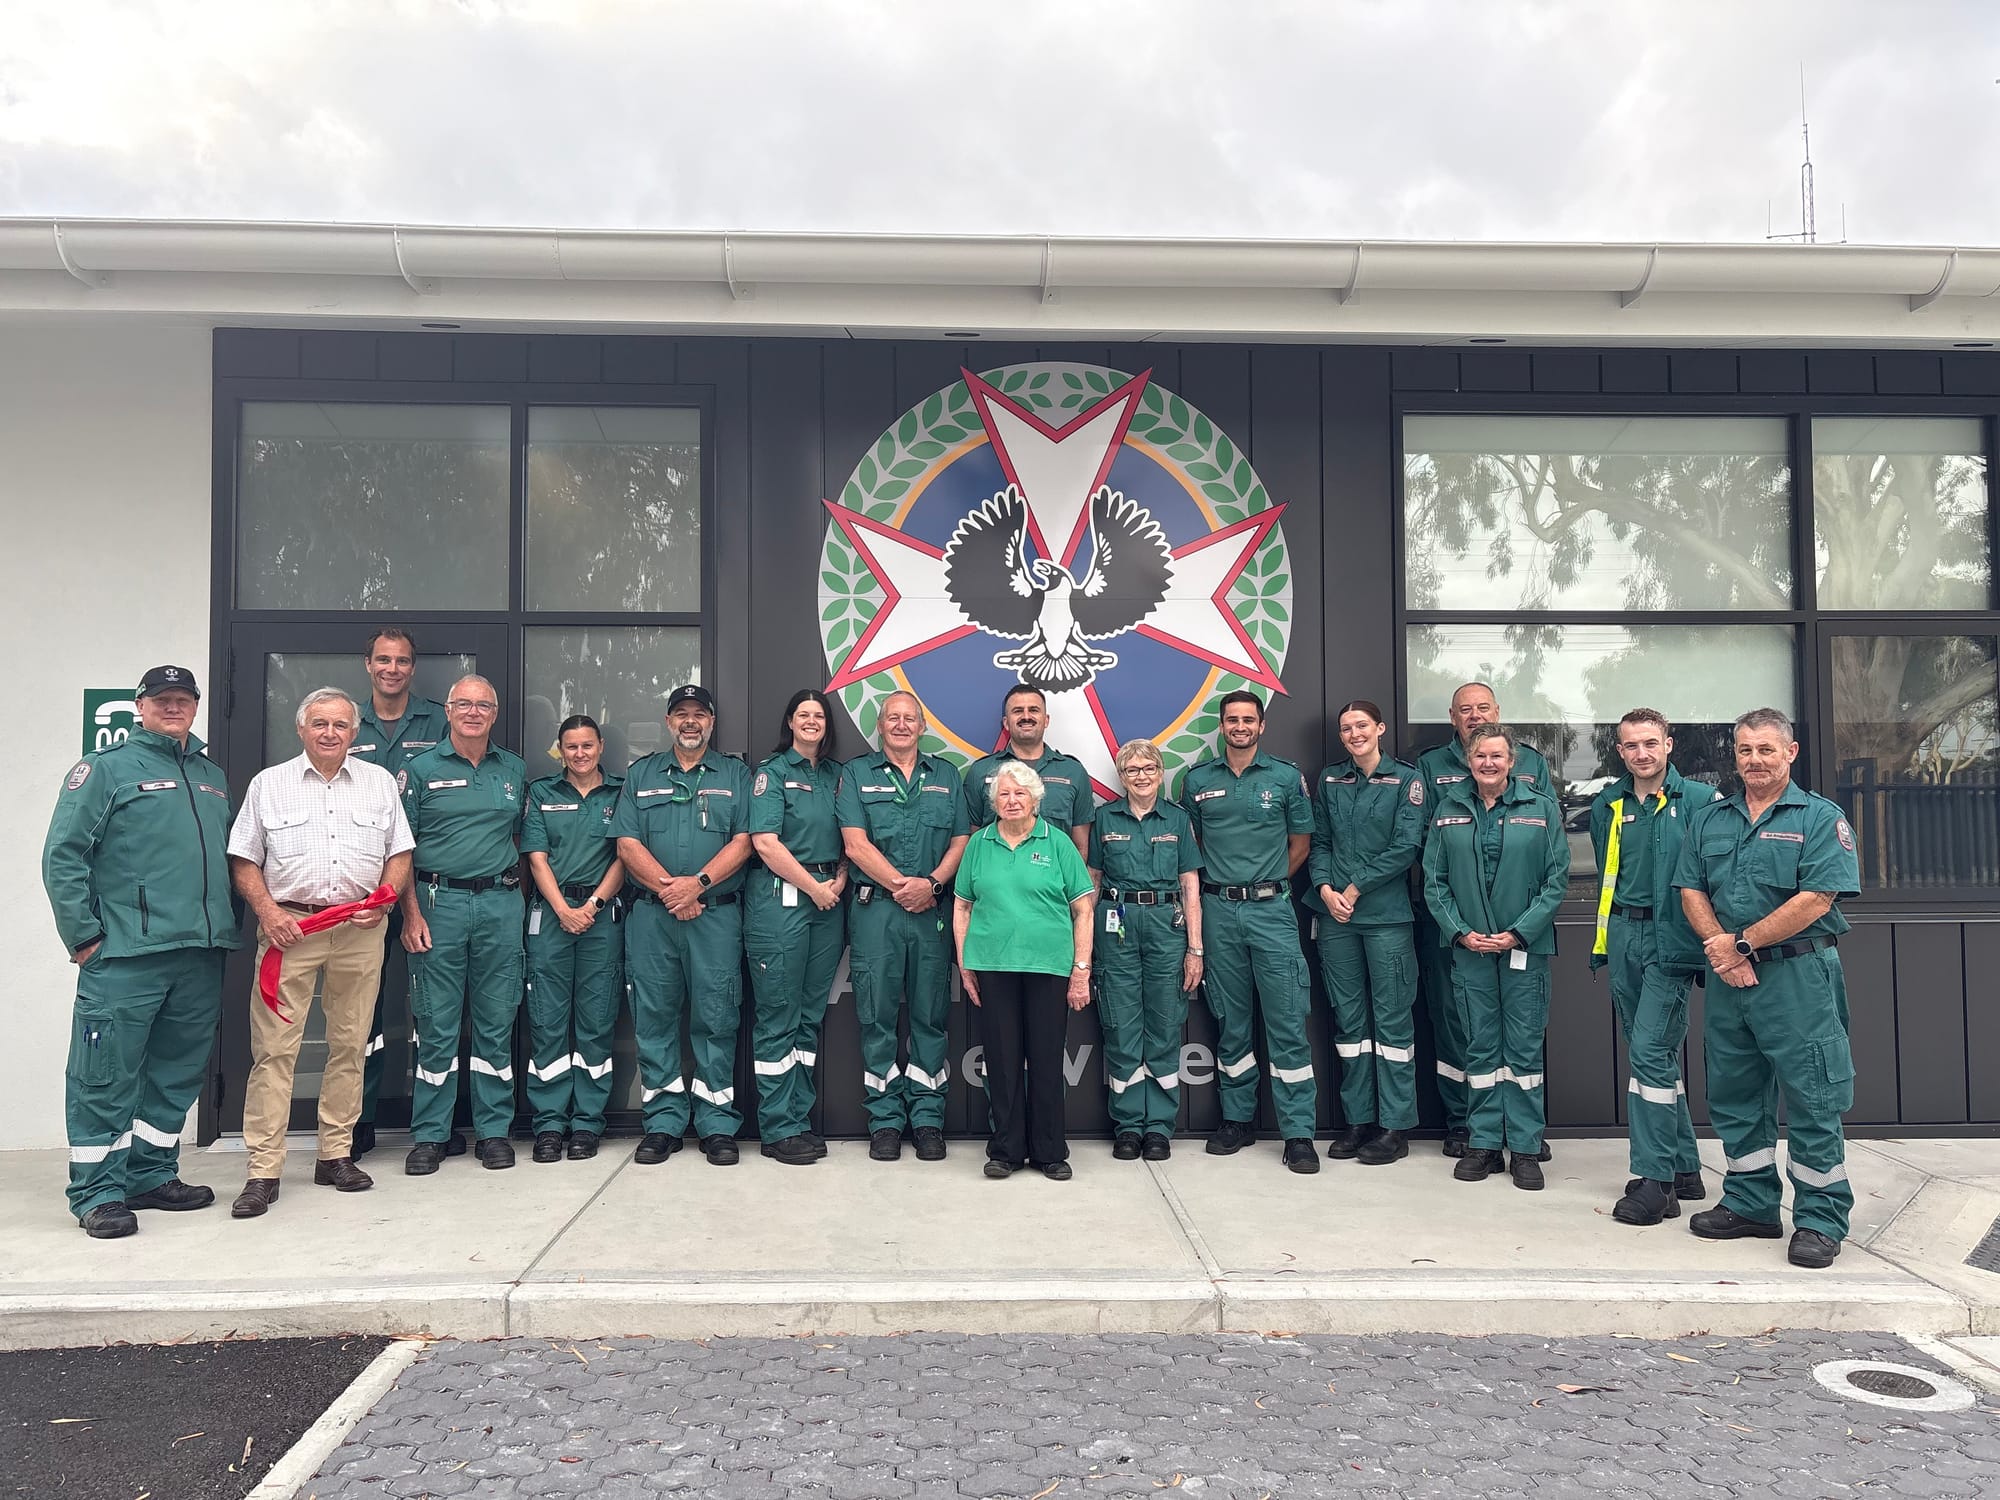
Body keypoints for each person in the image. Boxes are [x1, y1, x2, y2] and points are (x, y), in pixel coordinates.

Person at [41, 665, 241, 1238]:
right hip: (126, 956)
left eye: (183, 699)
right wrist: (84, 938)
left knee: (176, 1073)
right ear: (141, 706)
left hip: (199, 953)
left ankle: (151, 1174)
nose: (173, 707)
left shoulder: (212, 776)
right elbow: (64, 856)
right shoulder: (106, 771)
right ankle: (98, 1192)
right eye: (162, 699)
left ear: (196, 707)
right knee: (103, 1075)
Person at [1674, 708, 1861, 1270]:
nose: (1754, 760)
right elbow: (1690, 887)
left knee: (1812, 1095)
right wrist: (1721, 949)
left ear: (1791, 752)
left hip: (1797, 977)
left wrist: (1743, 945)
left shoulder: (1819, 818)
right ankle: (1752, 1205)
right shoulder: (1713, 819)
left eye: (1766, 750)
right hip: (1731, 978)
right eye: (1745, 750)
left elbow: (1817, 898)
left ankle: (1820, 1219)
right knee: (1735, 1094)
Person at [224, 688, 413, 1216]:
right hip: (291, 930)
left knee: (351, 1045)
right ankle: (263, 1168)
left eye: (340, 725)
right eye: (320, 724)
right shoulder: (270, 785)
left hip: (359, 930)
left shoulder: (378, 784)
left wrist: (385, 902)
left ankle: (335, 1154)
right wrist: (268, 913)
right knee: (275, 1051)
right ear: (302, 729)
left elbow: (400, 854)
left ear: (355, 734)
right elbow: (243, 860)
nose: (330, 733)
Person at [1422, 725, 1570, 1191]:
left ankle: (1525, 1148)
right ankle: (1484, 1142)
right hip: (1470, 951)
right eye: (1480, 755)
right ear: (1470, 761)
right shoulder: (1449, 810)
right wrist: (1461, 933)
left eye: (1497, 756)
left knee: (1524, 1050)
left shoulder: (1540, 809)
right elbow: (1434, 880)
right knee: (1480, 1048)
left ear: (1512, 762)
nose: (1488, 763)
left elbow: (1556, 880)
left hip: (1523, 949)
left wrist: (1517, 933)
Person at [612, 684, 754, 1167]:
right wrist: (673, 892)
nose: (690, 722)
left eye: (699, 714)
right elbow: (627, 845)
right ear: (668, 722)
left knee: (716, 1017)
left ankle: (716, 1123)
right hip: (653, 918)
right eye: (681, 715)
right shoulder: (641, 774)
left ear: (711, 722)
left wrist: (698, 884)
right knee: (655, 1019)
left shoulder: (736, 774)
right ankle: (664, 1122)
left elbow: (745, 841)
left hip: (715, 918)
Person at [1588, 708, 1721, 1226]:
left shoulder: (1701, 803)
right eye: (1630, 746)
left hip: (1673, 940)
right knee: (1654, 1058)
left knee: (1649, 1052)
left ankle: (1655, 1180)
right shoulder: (1609, 803)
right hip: (1622, 935)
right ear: (1619, 752)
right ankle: (1686, 1167)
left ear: (1669, 745)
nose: (1641, 754)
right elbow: (1605, 870)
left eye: (1650, 743)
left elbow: (1713, 875)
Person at [1178, 690, 1318, 1173]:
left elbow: (1301, 843)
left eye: (1248, 720)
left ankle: (1298, 1132)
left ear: (1261, 726)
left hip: (1271, 911)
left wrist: (1270, 880)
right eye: (1232, 719)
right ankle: (1237, 1120)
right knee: (1231, 1022)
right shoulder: (1196, 781)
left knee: (1286, 1021)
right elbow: (1190, 849)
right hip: (1217, 910)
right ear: (1222, 726)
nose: (1240, 726)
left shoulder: (1284, 776)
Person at [399, 675, 528, 1174]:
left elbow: (520, 838)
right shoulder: (419, 770)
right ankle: (432, 1133)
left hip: (499, 903)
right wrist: (411, 913)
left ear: (494, 714)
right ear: (448, 710)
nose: (473, 712)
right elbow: (400, 849)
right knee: (436, 1023)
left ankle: (494, 1131)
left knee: (497, 1022)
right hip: (438, 903)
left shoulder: (513, 768)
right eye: (464, 704)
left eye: (483, 705)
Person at [836, 690, 969, 1162]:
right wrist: (901, 885)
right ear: (880, 725)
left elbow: (960, 841)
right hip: (879, 912)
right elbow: (854, 844)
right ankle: (886, 1122)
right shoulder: (856, 773)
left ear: (922, 726)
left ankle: (928, 1119)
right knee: (876, 1019)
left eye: (909, 718)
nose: (901, 725)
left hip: (930, 910)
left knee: (931, 1017)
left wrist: (931, 884)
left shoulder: (946, 776)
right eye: (892, 717)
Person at [954, 761, 1096, 1179]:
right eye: (1004, 794)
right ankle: (1006, 1151)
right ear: (993, 801)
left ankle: (1051, 1152)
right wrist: (965, 963)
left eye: (1020, 794)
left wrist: (1081, 968)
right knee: (1001, 1060)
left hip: (1048, 966)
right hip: (993, 965)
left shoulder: (1057, 843)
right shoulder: (979, 843)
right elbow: (962, 906)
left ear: (1035, 799)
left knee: (1047, 1060)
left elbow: (1083, 908)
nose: (1012, 800)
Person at [1307, 700, 1427, 1167]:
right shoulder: (1331, 779)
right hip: (1337, 918)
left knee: (1393, 1022)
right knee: (1350, 1025)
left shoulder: (1407, 780)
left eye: (1362, 726)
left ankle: (1394, 1125)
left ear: (1380, 728)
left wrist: (1354, 888)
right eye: (1346, 728)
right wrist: (1324, 888)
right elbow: (1320, 842)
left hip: (1385, 918)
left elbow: (1406, 847)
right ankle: (1359, 1121)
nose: (1354, 734)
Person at [348, 627, 451, 1160]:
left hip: (423, 889)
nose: (392, 669)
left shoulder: (438, 720)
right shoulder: (346, 721)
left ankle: (434, 1121)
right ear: (368, 664)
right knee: (360, 1013)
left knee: (430, 1009)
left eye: (402, 661)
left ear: (414, 667)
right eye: (383, 659)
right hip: (357, 891)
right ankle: (356, 1119)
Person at [1087, 739, 1203, 1161]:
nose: (1141, 776)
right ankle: (1129, 1125)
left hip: (1166, 928)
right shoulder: (1104, 818)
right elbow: (1093, 880)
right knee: (1120, 1026)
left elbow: (1191, 885)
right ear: (1121, 776)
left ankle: (1158, 1128)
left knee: (1165, 1023)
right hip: (1115, 926)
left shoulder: (1177, 819)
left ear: (1161, 772)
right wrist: (1083, 945)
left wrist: (1196, 948)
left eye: (1148, 768)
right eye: (1132, 769)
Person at [746, 690, 847, 1166]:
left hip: (828, 903)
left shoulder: (836, 776)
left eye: (819, 716)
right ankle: (777, 1127)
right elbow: (765, 843)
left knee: (808, 1015)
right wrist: (815, 887)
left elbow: (851, 834)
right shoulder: (773, 774)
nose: (811, 722)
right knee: (779, 1013)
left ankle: (799, 1118)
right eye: (803, 715)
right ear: (790, 722)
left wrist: (841, 877)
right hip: (784, 902)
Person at [521, 716, 626, 1165]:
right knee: (546, 1022)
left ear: (601, 746)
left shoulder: (620, 793)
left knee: (597, 1023)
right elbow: (536, 858)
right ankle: (548, 1124)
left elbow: (626, 853)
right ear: (560, 750)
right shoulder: (542, 793)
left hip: (601, 916)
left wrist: (594, 907)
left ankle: (586, 1124)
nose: (579, 754)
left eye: (587, 745)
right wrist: (564, 909)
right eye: (571, 747)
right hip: (551, 916)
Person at [962, 685, 1093, 857]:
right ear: (1006, 723)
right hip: (996, 879)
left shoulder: (1073, 772)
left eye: (1033, 710)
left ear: (1046, 720)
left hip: (1054, 881)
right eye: (1018, 711)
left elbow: (1080, 847)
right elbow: (972, 841)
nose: (1026, 716)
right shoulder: (981, 771)